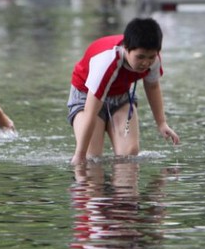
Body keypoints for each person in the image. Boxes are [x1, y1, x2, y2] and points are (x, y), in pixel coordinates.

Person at [68, 17, 179, 164]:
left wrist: (162, 123)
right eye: (140, 57)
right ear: (126, 48)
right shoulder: (106, 61)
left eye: (151, 57)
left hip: (121, 96)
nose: (146, 63)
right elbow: (90, 112)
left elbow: (152, 86)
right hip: (86, 95)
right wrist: (80, 155)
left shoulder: (154, 59)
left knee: (129, 156)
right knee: (92, 158)